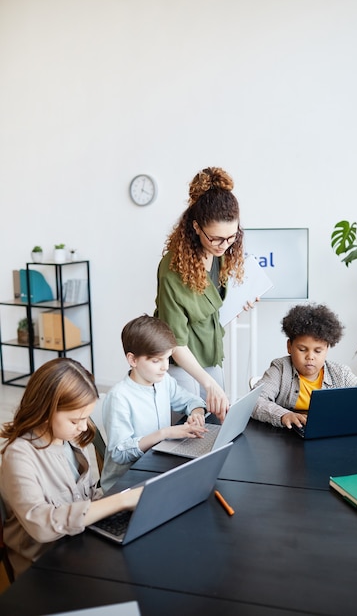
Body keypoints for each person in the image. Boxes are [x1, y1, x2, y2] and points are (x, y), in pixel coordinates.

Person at [0, 358, 143, 578]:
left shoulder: (73, 439)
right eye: (75, 420)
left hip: (79, 547)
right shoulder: (19, 455)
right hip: (43, 568)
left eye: (86, 418)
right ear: (46, 411)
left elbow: (86, 495)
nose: (84, 426)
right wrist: (120, 501)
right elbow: (40, 523)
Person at [154, 166, 247, 421]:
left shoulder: (222, 253)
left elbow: (210, 307)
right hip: (180, 356)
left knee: (220, 421)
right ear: (196, 227)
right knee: (188, 427)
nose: (225, 245)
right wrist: (208, 384)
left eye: (231, 237)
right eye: (216, 238)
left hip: (209, 350)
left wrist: (241, 303)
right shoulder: (173, 270)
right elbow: (175, 343)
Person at [100, 314, 208, 492]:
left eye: (168, 358)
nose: (165, 366)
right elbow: (120, 453)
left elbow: (191, 400)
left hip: (156, 469)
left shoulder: (164, 381)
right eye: (156, 361)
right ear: (133, 360)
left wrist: (197, 412)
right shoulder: (119, 397)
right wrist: (164, 433)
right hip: (126, 485)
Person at [251, 303, 357, 429]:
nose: (310, 356)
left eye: (318, 351)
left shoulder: (341, 373)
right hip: (285, 436)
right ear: (289, 346)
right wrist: (284, 415)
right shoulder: (280, 369)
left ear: (327, 349)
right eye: (302, 349)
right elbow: (254, 401)